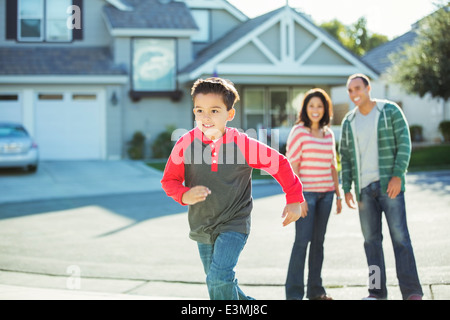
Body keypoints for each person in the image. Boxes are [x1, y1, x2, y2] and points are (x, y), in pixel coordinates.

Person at [160, 77, 306, 300]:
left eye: (214, 110)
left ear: (230, 114)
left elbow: (280, 164)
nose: (206, 117)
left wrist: (294, 198)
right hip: (202, 224)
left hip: (234, 223)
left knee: (219, 277)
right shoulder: (186, 143)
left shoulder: (243, 144)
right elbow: (169, 180)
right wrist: (184, 194)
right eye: (200, 110)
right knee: (218, 281)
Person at [339, 73, 423, 300]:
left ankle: (412, 292)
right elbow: (345, 157)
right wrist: (346, 188)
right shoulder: (349, 121)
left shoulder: (390, 111)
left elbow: (404, 143)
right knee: (371, 243)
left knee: (401, 238)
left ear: (368, 88)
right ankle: (376, 293)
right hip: (364, 191)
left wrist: (398, 175)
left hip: (389, 187)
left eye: (358, 88)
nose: (354, 93)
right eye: (350, 90)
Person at [284, 88, 342, 300]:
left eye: (319, 106)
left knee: (319, 243)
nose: (315, 110)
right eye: (311, 106)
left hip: (326, 195)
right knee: (302, 242)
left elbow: (333, 165)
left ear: (325, 108)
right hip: (306, 195)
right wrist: (298, 198)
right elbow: (293, 165)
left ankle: (316, 291)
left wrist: (338, 194)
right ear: (305, 109)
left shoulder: (329, 133)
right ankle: (294, 295)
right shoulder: (299, 131)